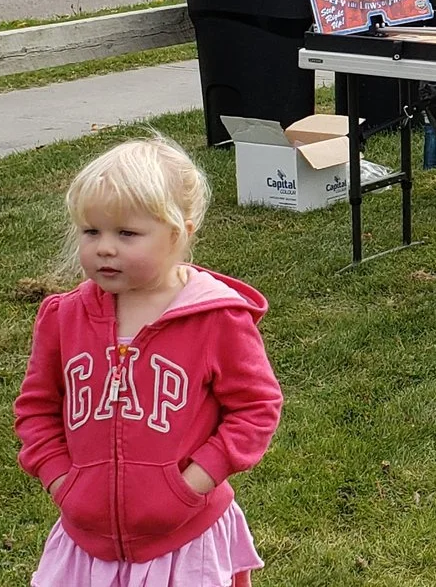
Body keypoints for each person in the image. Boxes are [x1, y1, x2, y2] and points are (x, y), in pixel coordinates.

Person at [15, 137, 281, 586]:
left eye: (127, 234)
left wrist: (193, 483)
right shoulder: (63, 318)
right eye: (91, 231)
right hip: (87, 544)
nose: (104, 248)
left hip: (184, 538)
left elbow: (256, 409)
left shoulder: (217, 318)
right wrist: (62, 481)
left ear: (180, 233)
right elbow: (36, 408)